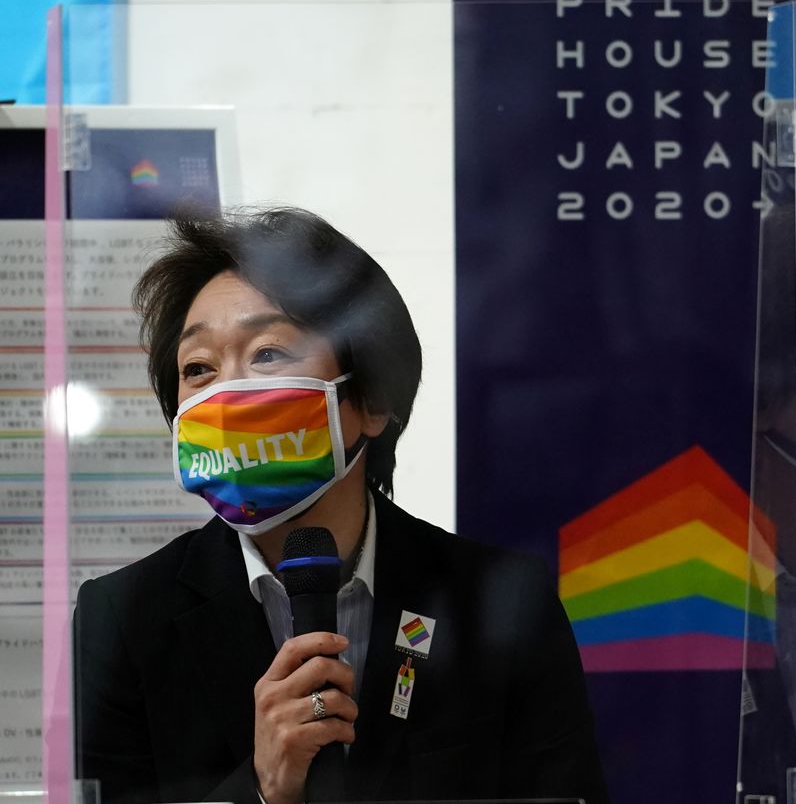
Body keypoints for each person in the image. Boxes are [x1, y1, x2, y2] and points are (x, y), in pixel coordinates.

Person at [74, 207, 610, 804]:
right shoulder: (126, 619)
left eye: (268, 354)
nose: (227, 394)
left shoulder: (501, 601)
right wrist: (263, 787)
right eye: (198, 369)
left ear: (373, 398)